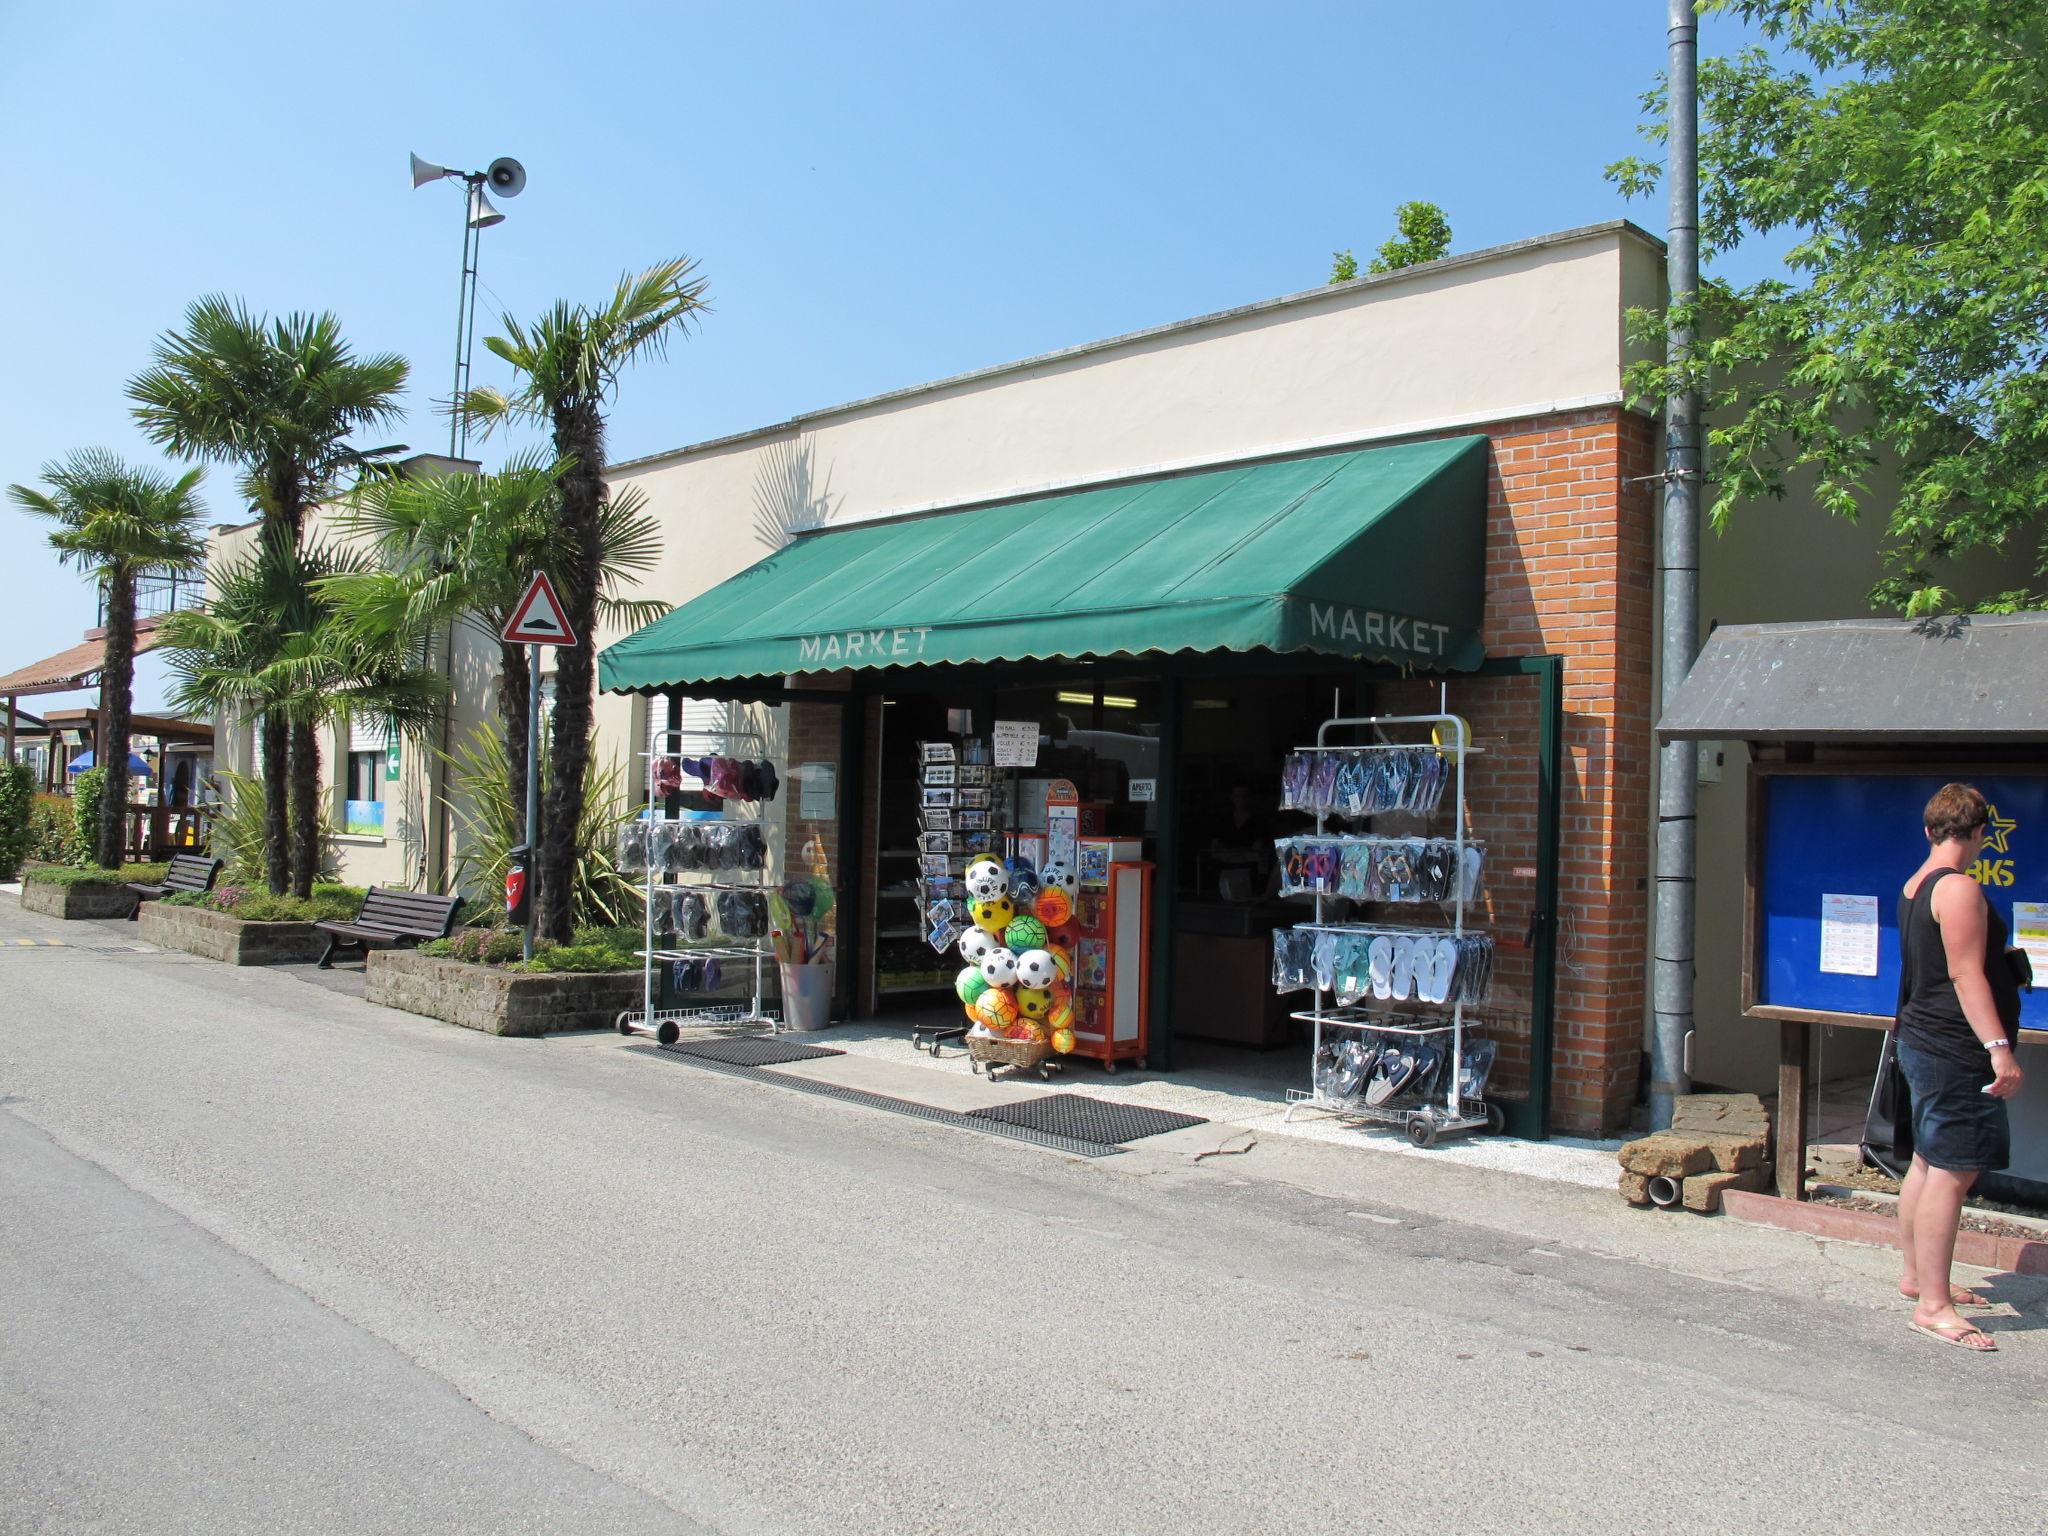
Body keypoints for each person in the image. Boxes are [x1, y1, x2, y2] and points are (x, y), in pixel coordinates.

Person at [1894, 782, 2025, 1351]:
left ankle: (1919, 1278)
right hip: (1954, 1048)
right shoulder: (1960, 889)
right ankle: (1934, 1306)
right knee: (1953, 1171)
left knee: (1928, 1161)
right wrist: (1999, 1048)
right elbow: (1966, 974)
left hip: (1920, 1038)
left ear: (1930, 831)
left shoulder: (1915, 883)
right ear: (1978, 834)